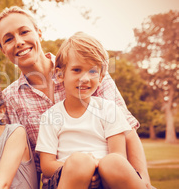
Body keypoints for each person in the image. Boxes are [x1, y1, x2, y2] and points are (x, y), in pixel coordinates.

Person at [0, 6, 152, 188]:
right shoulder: (9, 99)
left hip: (108, 176)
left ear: (39, 33)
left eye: (24, 32)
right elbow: (23, 161)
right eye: (8, 39)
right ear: (3, 50)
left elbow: (127, 131)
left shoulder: (87, 70)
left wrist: (144, 179)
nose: (19, 42)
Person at [35, 32, 146, 189]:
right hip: (66, 179)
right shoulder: (51, 117)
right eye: (77, 70)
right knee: (80, 161)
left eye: (92, 71)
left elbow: (119, 155)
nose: (85, 78)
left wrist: (96, 168)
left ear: (101, 78)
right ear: (60, 75)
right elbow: (47, 165)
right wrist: (82, 168)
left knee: (113, 161)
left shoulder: (109, 110)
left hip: (107, 177)